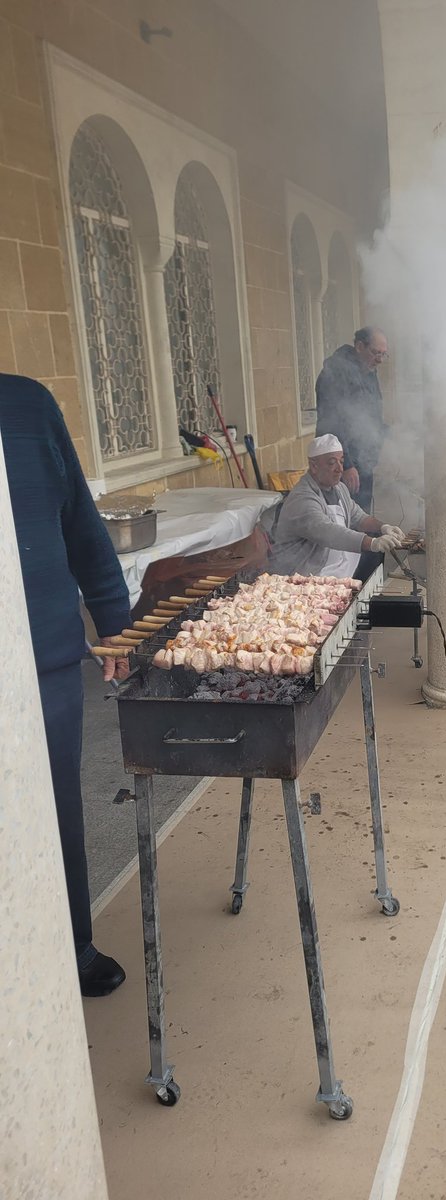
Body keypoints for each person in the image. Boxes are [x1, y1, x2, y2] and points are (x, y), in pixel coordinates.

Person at [0, 373, 132, 997]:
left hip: (48, 663)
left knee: (57, 811)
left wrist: (114, 622)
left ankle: (73, 944)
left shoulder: (28, 404)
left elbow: (80, 521)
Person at [269, 434, 403, 578]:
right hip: (307, 576)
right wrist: (372, 543)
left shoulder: (339, 488)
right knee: (371, 550)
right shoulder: (302, 498)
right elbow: (328, 533)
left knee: (374, 560)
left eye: (341, 461)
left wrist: (384, 527)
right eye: (332, 463)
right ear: (314, 466)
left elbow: (357, 516)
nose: (340, 469)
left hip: (339, 569)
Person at [315, 326, 389, 511]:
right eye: (375, 353)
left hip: (363, 461)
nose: (379, 360)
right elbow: (332, 423)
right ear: (359, 346)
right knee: (344, 519)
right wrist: (345, 465)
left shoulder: (368, 373)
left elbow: (371, 418)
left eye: (383, 354)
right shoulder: (335, 374)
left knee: (362, 516)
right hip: (340, 464)